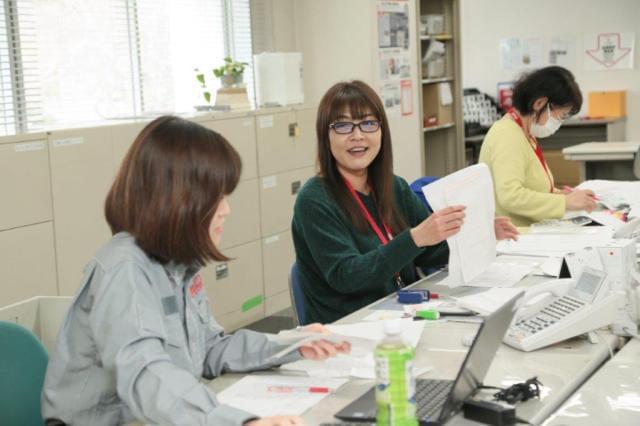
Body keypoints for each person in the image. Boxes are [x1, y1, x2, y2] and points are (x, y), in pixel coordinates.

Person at [41, 116, 350, 426]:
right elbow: (146, 374)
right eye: (217, 197)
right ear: (178, 199)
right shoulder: (125, 269)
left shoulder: (179, 264)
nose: (226, 209)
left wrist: (290, 345)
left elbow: (210, 349)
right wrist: (240, 423)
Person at [291, 80, 518, 324]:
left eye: (368, 123)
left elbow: (428, 253)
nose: (357, 136)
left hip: (403, 313)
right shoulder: (315, 199)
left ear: (381, 131)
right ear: (325, 135)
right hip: (349, 327)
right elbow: (347, 276)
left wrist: (481, 232)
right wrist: (415, 237)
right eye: (344, 126)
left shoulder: (392, 186)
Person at [479, 66, 597, 226]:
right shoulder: (507, 135)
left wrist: (565, 196)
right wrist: (565, 202)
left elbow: (535, 188)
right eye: (560, 116)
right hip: (515, 236)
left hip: (529, 230)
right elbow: (511, 196)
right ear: (539, 103)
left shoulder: (524, 133)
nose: (559, 123)